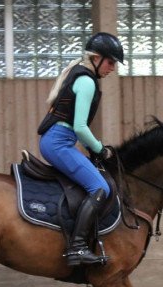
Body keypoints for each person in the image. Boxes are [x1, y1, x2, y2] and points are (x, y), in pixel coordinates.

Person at [38, 32, 124, 267]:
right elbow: (80, 127)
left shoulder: (83, 76)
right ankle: (77, 247)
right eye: (110, 62)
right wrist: (101, 149)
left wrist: (93, 149)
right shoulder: (86, 81)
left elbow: (77, 128)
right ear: (96, 58)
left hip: (58, 140)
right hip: (58, 142)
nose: (113, 68)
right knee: (100, 187)